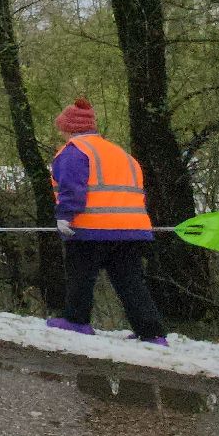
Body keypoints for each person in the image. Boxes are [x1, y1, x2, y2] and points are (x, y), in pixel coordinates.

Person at [44, 97, 166, 345]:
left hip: (92, 228)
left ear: (69, 128)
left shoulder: (74, 152)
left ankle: (76, 321)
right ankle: (152, 333)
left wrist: (65, 216)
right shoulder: (119, 153)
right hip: (132, 230)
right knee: (130, 281)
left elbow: (72, 189)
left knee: (81, 274)